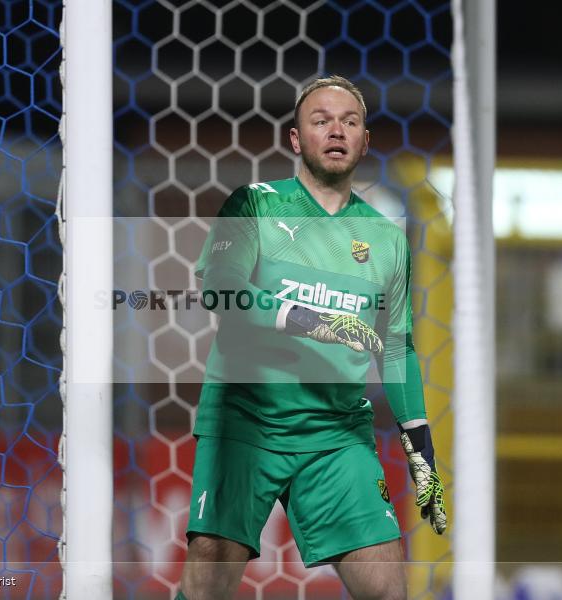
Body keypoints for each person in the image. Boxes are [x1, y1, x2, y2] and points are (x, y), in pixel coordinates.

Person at [175, 75, 447, 600]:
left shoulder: (387, 239)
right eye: (321, 121)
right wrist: (307, 320)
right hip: (245, 421)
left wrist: (421, 450)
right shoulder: (252, 204)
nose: (336, 131)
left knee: (389, 588)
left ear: (365, 141)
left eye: (350, 122)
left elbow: (397, 346)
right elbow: (221, 292)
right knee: (208, 580)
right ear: (297, 140)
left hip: (335, 434)